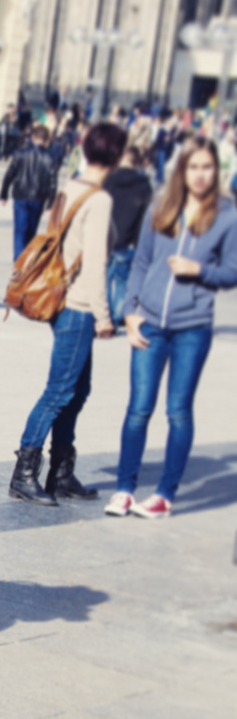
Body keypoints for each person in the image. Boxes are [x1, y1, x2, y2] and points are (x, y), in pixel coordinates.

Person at [105, 135, 237, 519]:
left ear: (216, 171)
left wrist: (200, 270)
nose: (200, 174)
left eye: (207, 167)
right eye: (193, 167)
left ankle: (164, 493)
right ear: (183, 169)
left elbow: (232, 272)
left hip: (192, 327)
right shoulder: (161, 207)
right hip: (149, 321)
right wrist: (129, 311)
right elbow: (141, 263)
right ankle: (125, 489)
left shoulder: (226, 215)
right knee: (138, 408)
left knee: (178, 411)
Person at [8, 122, 127, 506]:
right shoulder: (99, 199)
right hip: (77, 306)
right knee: (59, 391)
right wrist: (104, 315)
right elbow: (95, 263)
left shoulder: (70, 186)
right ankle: (24, 473)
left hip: (63, 303)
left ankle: (61, 470)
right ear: (117, 155)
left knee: (77, 388)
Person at [104, 146, 154, 330]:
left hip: (107, 236)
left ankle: (106, 313)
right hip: (128, 238)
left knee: (105, 277)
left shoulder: (109, 179)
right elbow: (145, 215)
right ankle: (119, 313)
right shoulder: (143, 183)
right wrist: (139, 240)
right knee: (123, 279)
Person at [0, 125, 58, 261]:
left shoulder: (20, 153)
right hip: (38, 198)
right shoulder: (50, 158)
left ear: (32, 138)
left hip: (20, 195)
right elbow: (53, 183)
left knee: (20, 231)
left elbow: (9, 174)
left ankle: (18, 262)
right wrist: (50, 204)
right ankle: (26, 261)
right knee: (31, 233)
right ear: (46, 141)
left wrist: (3, 194)